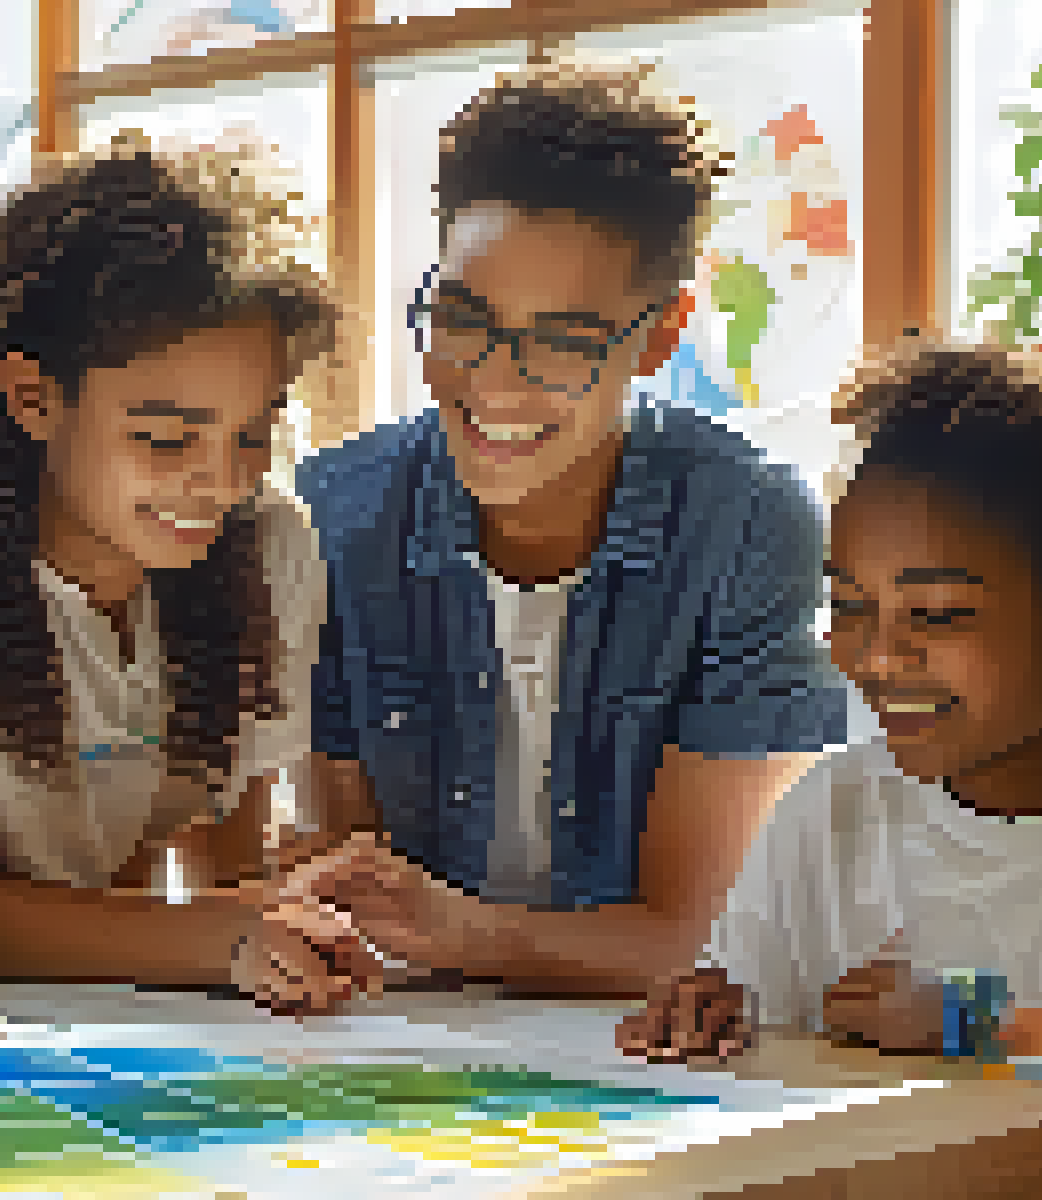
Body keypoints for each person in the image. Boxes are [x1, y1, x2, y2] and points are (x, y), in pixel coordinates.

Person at [274, 61, 848, 1004]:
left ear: (660, 338)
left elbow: (695, 940)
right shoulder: (333, 515)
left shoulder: (747, 527)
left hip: (653, 1048)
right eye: (464, 319)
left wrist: (459, 932)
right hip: (408, 1031)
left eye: (565, 340)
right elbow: (355, 903)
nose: (494, 381)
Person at [0, 135, 378, 1010]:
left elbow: (226, 881)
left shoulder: (270, 542)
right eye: (164, 440)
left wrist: (294, 928)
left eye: (252, 434)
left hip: (120, 1012)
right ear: (34, 398)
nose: (222, 482)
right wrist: (231, 932)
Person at [620, 342, 1042, 1063]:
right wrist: (716, 1011)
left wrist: (979, 1024)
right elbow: (754, 1006)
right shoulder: (835, 814)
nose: (880, 657)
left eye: (940, 613)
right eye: (850, 605)